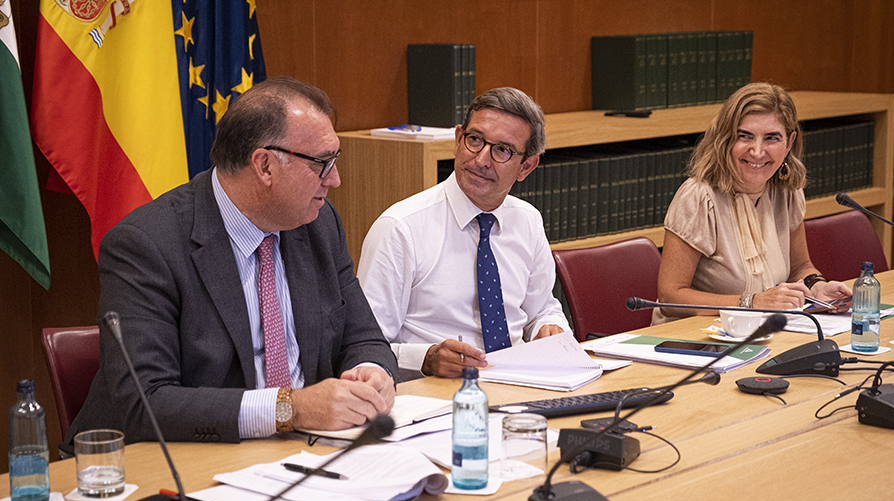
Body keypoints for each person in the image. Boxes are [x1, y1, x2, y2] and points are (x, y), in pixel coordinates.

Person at [65, 77, 397, 446]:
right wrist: (291, 409)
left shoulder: (318, 223)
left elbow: (363, 335)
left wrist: (371, 373)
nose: (334, 179)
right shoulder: (146, 245)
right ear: (265, 166)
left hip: (305, 451)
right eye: (322, 163)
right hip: (176, 459)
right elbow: (147, 402)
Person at [358, 87, 571, 380]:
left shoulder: (527, 221)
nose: (482, 159)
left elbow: (542, 310)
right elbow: (363, 346)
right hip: (434, 393)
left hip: (520, 382)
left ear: (527, 166)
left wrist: (550, 328)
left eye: (502, 150)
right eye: (475, 140)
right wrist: (425, 358)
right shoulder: (401, 228)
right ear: (458, 140)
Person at [653, 82, 852, 325]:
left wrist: (819, 287)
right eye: (745, 136)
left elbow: (800, 266)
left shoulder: (787, 191)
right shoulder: (698, 197)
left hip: (763, 332)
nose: (757, 152)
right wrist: (753, 303)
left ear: (789, 143)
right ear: (725, 139)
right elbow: (670, 297)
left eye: (771, 138)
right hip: (695, 340)